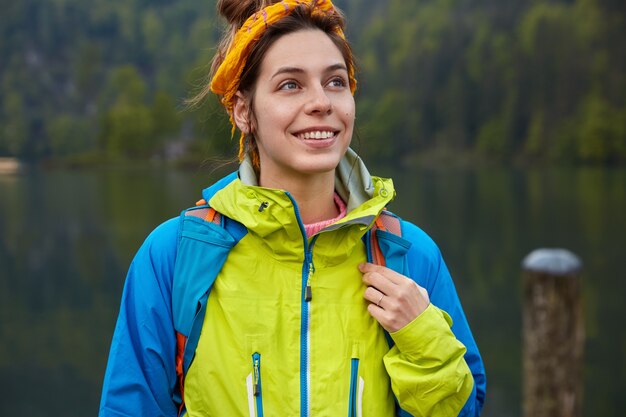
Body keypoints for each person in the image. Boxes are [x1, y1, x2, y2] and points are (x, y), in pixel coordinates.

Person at [99, 0, 486, 416]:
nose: (321, 102)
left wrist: (422, 335)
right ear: (243, 111)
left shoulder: (409, 255)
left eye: (336, 82)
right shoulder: (175, 256)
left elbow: (464, 410)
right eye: (291, 85)